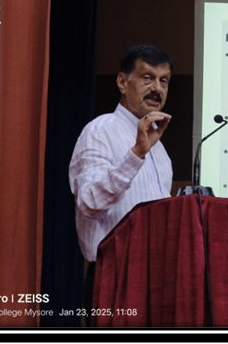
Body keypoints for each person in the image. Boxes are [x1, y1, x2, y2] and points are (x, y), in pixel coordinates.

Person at [68, 44, 173, 324]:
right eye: (147, 78)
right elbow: (90, 203)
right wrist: (135, 155)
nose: (157, 88)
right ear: (122, 82)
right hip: (114, 277)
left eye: (164, 81)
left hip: (156, 279)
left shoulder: (160, 148)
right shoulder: (99, 131)